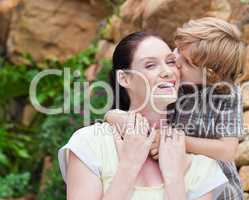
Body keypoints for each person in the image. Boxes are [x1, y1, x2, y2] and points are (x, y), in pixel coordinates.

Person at [58, 32, 228, 200]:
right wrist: (129, 165)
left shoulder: (200, 166)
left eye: (170, 62)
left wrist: (174, 177)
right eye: (150, 65)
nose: (168, 72)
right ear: (124, 79)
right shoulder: (91, 144)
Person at [106, 17, 246, 200]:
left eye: (187, 62)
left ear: (211, 75)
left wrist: (169, 140)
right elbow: (136, 108)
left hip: (218, 189)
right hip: (173, 176)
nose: (176, 61)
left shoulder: (226, 93)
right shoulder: (171, 84)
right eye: (178, 50)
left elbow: (227, 150)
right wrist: (113, 116)